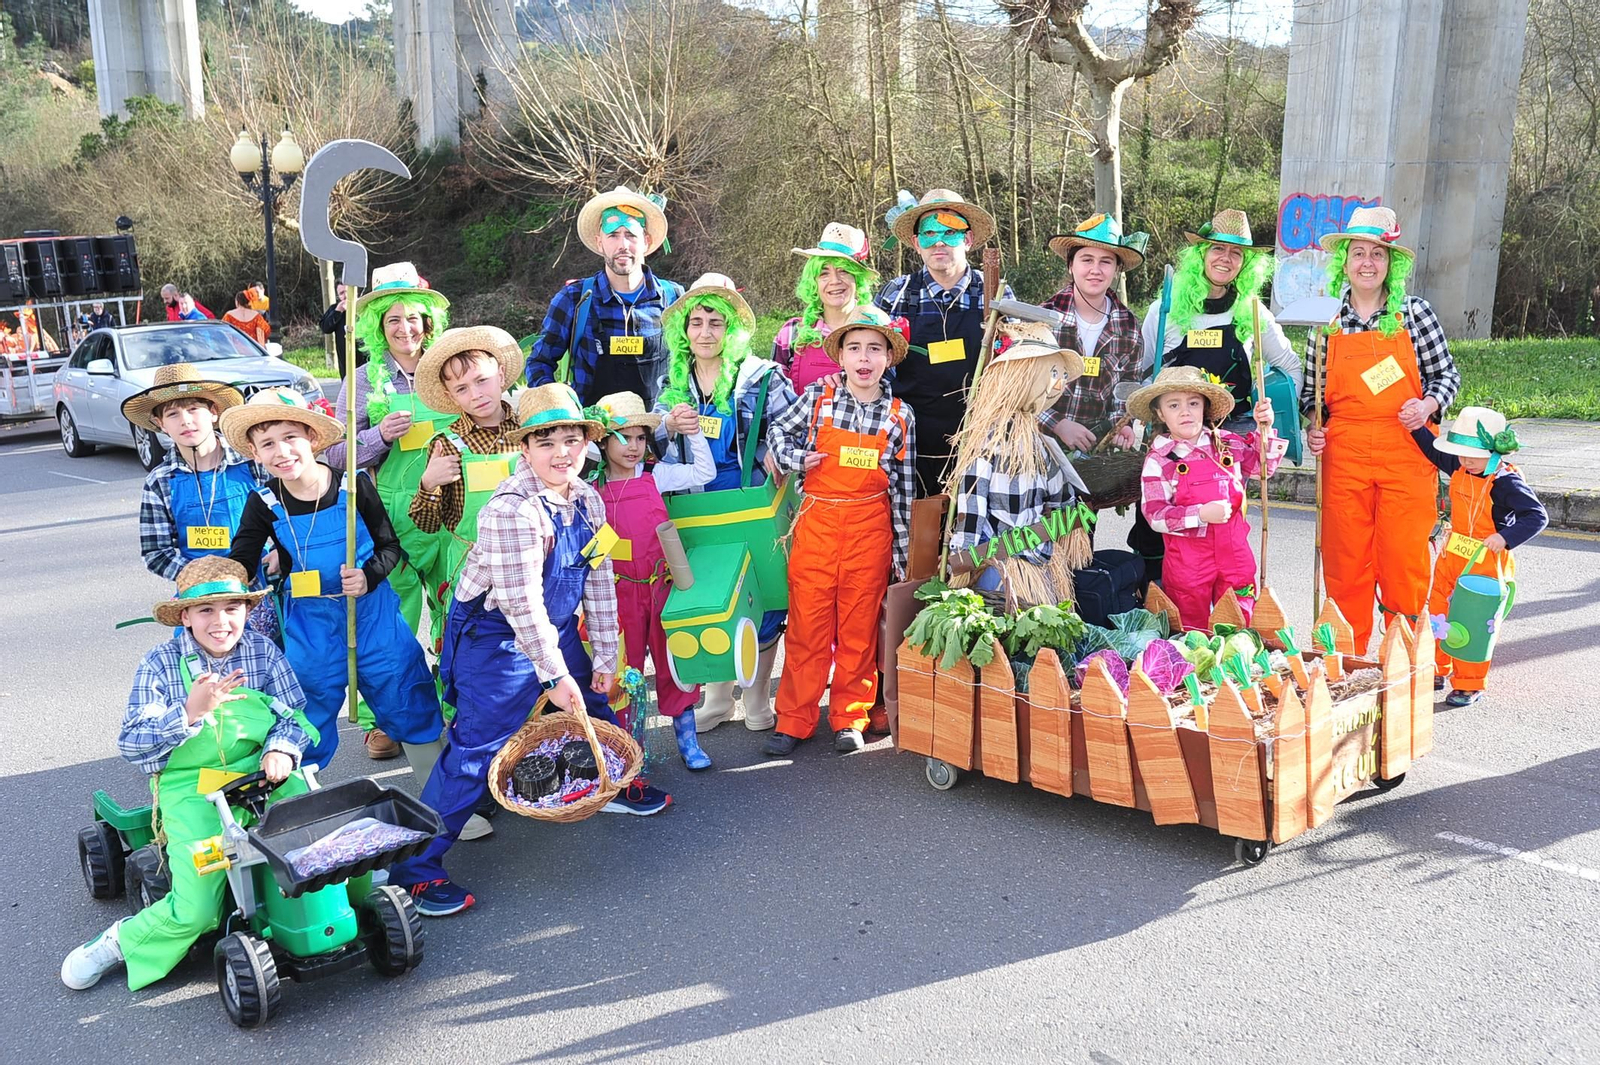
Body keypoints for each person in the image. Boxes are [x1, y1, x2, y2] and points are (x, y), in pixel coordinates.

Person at [386, 386, 672, 918]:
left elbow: (600, 579)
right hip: (496, 638)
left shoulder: (587, 498)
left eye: (571, 438)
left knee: (595, 699)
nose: (561, 452)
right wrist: (552, 675)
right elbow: (522, 606)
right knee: (476, 747)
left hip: (555, 625)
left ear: (589, 442)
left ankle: (611, 781)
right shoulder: (511, 511)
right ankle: (415, 869)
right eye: (546, 441)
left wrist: (606, 657)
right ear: (525, 450)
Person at [60, 557, 313, 992]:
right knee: (197, 908)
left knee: (318, 839)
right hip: (192, 786)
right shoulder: (159, 664)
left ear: (248, 611)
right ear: (184, 617)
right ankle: (121, 943)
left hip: (260, 773)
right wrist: (189, 713)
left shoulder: (263, 651)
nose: (221, 622)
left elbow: (294, 714)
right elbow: (132, 742)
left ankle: (352, 901)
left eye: (232, 608)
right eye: (206, 611)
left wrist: (282, 749)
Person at [221, 389, 445, 779]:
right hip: (310, 625)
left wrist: (369, 575)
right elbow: (241, 561)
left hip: (373, 616)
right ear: (255, 454)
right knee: (306, 705)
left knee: (404, 687)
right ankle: (298, 801)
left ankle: (447, 796)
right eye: (268, 444)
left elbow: (391, 547)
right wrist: (215, 589)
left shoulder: (353, 485)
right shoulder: (263, 502)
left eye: (290, 437)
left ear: (311, 437)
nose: (282, 451)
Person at [1304, 205, 1461, 653]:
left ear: (1392, 263)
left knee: (1403, 559)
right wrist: (1315, 426)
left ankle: (1405, 656)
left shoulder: (1415, 314)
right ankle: (1345, 662)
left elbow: (1447, 375)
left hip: (1407, 450)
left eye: (1378, 253)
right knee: (1345, 560)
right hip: (1345, 454)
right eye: (1358, 253)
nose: (1367, 263)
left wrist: (1428, 403)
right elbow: (1311, 397)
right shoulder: (1325, 323)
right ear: (1345, 261)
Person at [764, 305, 915, 756]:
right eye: (854, 348)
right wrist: (795, 461)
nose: (864, 358)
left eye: (874, 349)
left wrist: (902, 554)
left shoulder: (900, 415)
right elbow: (777, 433)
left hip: (870, 531)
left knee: (858, 630)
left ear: (889, 357)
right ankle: (793, 719)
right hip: (817, 525)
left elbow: (904, 491)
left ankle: (850, 716)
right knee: (807, 628)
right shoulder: (817, 398)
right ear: (841, 356)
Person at [653, 273, 798, 734]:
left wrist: (777, 448)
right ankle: (717, 699)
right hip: (696, 503)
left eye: (716, 322)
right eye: (696, 322)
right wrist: (667, 427)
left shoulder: (761, 375)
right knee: (709, 592)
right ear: (684, 330)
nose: (705, 332)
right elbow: (648, 443)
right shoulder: (672, 381)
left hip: (750, 498)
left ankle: (757, 699)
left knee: (764, 596)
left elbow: (790, 425)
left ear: (731, 328)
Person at [322, 263, 451, 760]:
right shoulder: (360, 382)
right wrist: (379, 436)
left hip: (449, 511)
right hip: (389, 513)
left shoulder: (449, 370)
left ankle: (449, 704)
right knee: (389, 622)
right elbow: (332, 455)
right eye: (393, 320)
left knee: (453, 608)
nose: (405, 328)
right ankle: (386, 720)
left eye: (413, 317)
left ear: (428, 321)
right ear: (378, 326)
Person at [1131, 209, 1299, 580]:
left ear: (1245, 263)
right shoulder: (1167, 310)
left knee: (1223, 537)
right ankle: (1162, 605)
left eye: (1236, 253)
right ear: (1201, 255)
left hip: (1230, 440)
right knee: (1163, 530)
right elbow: (1141, 369)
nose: (1225, 258)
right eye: (1217, 249)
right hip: (1172, 439)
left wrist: (1281, 417)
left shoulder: (1255, 312)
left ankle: (1224, 612)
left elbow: (1290, 366)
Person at [592, 391, 715, 768]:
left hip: (662, 589)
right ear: (601, 441)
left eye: (641, 437)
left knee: (676, 663)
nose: (633, 446)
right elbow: (592, 551)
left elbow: (703, 473)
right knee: (625, 675)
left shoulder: (655, 475)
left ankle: (688, 742)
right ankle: (630, 750)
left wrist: (693, 433)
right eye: (623, 437)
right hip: (619, 595)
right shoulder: (590, 490)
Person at [945, 319, 1094, 607]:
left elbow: (1062, 498)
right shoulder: (989, 443)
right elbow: (972, 508)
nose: (1058, 384)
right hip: (1003, 572)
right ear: (1020, 376)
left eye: (1060, 375)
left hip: (1040, 565)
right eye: (1052, 373)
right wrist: (961, 561)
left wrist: (1073, 522)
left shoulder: (1040, 444)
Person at [875, 189, 1013, 497]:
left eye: (950, 233)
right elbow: (873, 370)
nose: (939, 242)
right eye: (929, 234)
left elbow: (1016, 369)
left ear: (968, 239)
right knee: (920, 538)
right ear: (916, 243)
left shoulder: (995, 294)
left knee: (972, 539)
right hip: (910, 448)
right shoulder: (895, 295)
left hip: (980, 446)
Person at [124, 364, 276, 639]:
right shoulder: (159, 481)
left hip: (262, 587)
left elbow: (287, 518)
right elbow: (156, 553)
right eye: (173, 414)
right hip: (199, 597)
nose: (185, 420)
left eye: (194, 409)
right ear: (160, 424)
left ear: (213, 412)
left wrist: (279, 552)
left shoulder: (253, 463)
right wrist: (205, 577)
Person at [1411, 406, 1547, 708]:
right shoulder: (1462, 465)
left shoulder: (1506, 483)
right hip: (1453, 552)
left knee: (1472, 622)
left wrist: (1505, 538)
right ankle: (1437, 667)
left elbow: (1536, 516)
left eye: (1473, 455)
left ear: (1495, 451)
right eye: (1461, 454)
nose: (1465, 460)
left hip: (1486, 561)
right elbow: (1433, 454)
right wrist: (1414, 426)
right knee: (1438, 612)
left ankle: (1469, 683)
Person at [1134, 366, 1286, 630]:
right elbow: (1156, 516)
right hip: (1188, 562)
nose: (1185, 411)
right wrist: (1201, 514)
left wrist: (1266, 429)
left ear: (1205, 406)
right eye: (1173, 405)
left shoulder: (1227, 443)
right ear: (1160, 413)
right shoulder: (1158, 460)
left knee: (1240, 620)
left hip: (1235, 554)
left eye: (1193, 403)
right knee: (1190, 628)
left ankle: (1236, 668)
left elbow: (1263, 468)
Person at [408, 325, 526, 648]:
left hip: (529, 564)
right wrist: (429, 483)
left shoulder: (530, 431)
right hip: (472, 573)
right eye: (462, 389)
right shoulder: (448, 444)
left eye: (482, 380)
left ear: (501, 374)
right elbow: (427, 524)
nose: (476, 394)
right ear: (449, 396)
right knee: (474, 656)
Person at [525, 186, 684, 407]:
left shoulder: (674, 298)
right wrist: (559, 410)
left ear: (646, 241)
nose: (623, 245)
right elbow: (539, 363)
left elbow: (693, 365)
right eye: (613, 235)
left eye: (630, 235)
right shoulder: (575, 300)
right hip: (593, 435)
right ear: (600, 242)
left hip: (657, 433)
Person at [1039, 213, 1148, 455]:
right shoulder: (1043, 319)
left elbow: (1127, 386)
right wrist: (1058, 424)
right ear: (1071, 264)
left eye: (1106, 262)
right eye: (1087, 259)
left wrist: (1122, 424)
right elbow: (1022, 387)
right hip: (1041, 445)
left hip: (1097, 450)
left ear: (1117, 269)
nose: (1095, 270)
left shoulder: (1128, 327)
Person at [771, 223, 879, 390]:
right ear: (813, 282)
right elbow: (773, 397)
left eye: (844, 271)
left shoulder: (879, 331)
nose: (834, 280)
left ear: (858, 280)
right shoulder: (791, 333)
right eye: (824, 273)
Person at [320, 282, 362, 374]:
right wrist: (337, 312)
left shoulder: (364, 307)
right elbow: (325, 328)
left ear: (355, 292)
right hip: (346, 362)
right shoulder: (334, 309)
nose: (345, 295)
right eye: (341, 293)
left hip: (365, 359)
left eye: (347, 291)